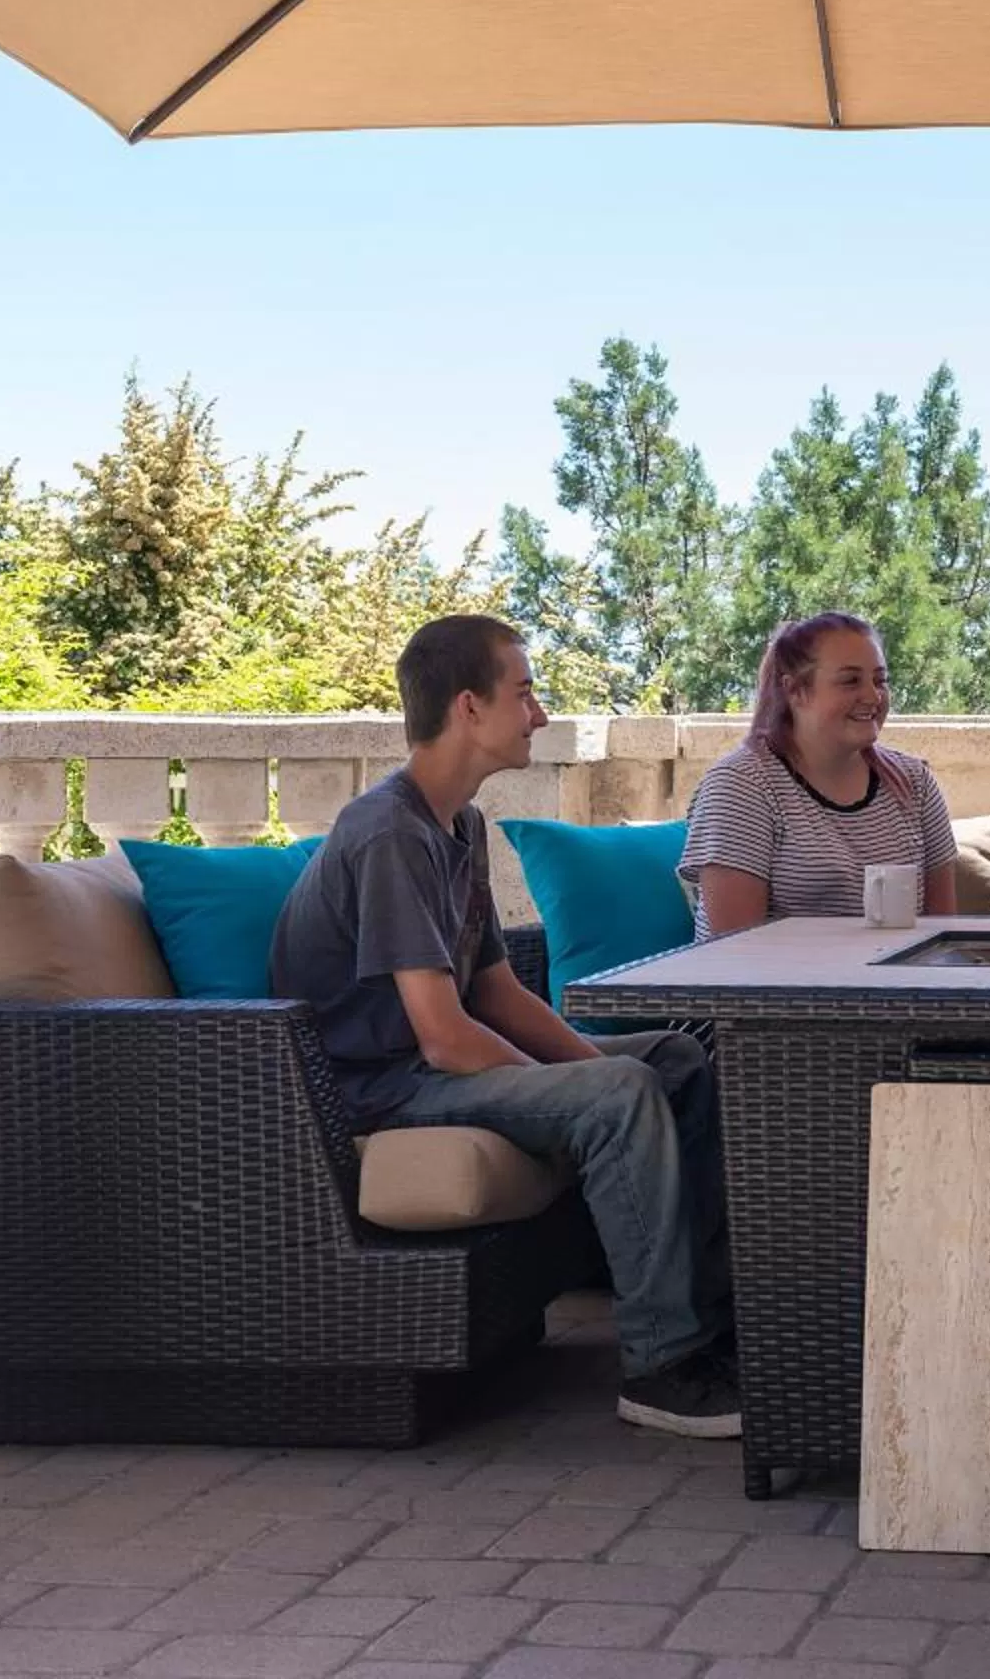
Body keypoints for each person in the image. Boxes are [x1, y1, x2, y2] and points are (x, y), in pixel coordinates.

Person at [269, 614, 739, 1438]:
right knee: (621, 1094)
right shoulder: (387, 834)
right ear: (468, 709)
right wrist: (592, 1084)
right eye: (524, 693)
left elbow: (496, 993)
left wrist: (590, 1060)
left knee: (671, 1058)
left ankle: (707, 1319)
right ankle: (662, 1366)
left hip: (428, 1067)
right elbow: (444, 1037)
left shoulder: (459, 824)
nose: (541, 716)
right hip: (381, 1089)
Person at [681, 611, 959, 936]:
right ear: (795, 690)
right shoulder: (741, 786)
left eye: (880, 680)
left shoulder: (915, 783)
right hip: (772, 985)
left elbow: (943, 935)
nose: (873, 696)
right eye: (850, 681)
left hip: (890, 984)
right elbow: (735, 952)